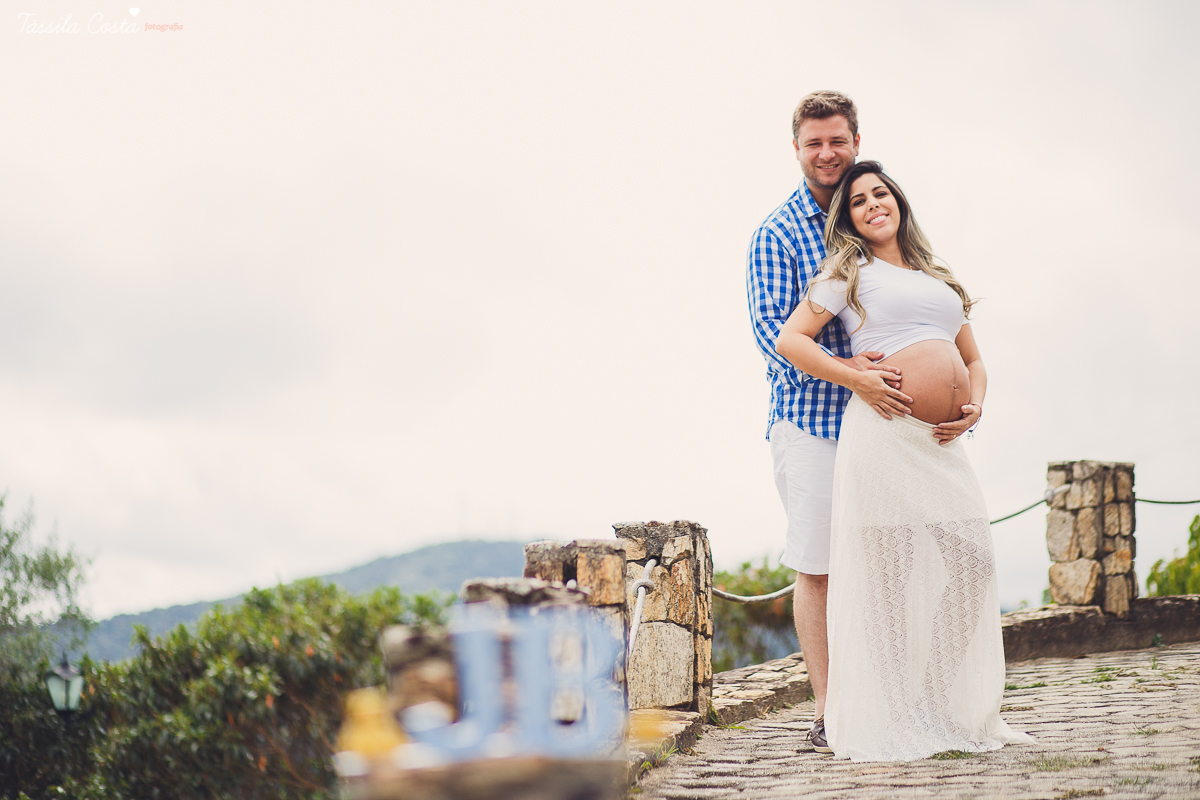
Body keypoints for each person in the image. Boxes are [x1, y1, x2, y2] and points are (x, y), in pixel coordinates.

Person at [774, 160, 1033, 761]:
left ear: (899, 202)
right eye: (858, 201)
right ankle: (891, 709)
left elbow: (974, 361)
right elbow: (791, 339)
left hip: (941, 444)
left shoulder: (936, 276)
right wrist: (854, 379)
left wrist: (975, 405)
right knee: (888, 577)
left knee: (970, 562)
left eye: (880, 194)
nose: (872, 205)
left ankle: (933, 699)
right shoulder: (846, 272)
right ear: (849, 220)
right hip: (885, 435)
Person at [746, 91, 902, 753]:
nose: (827, 153)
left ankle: (890, 702)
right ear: (796, 149)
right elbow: (772, 336)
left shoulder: (874, 214)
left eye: (838, 140)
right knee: (818, 568)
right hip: (811, 424)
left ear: (856, 140)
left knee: (886, 563)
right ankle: (831, 712)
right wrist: (851, 373)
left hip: (887, 423)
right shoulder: (778, 233)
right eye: (814, 143)